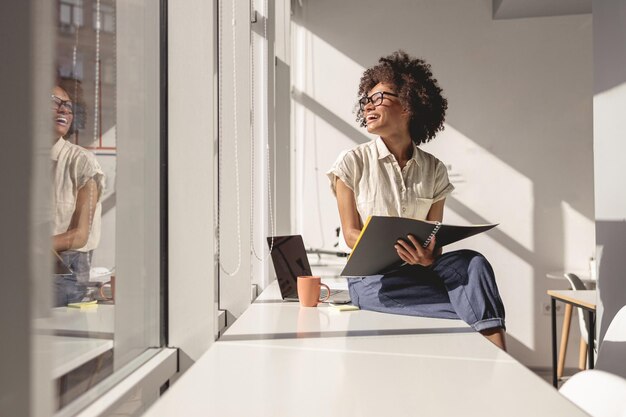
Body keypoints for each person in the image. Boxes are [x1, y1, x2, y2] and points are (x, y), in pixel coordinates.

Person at [327, 51, 507, 349]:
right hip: (374, 281)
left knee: (472, 263)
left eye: (379, 97)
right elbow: (350, 235)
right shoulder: (351, 162)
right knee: (476, 306)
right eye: (366, 100)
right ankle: (503, 363)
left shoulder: (434, 169)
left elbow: (432, 236)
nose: (368, 105)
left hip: (420, 273)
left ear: (408, 104)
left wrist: (428, 256)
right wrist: (396, 252)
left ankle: (496, 358)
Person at [51, 82, 105, 307]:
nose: (64, 110)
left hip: (65, 272)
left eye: (69, 106)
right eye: (55, 103)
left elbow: (80, 235)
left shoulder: (82, 162)